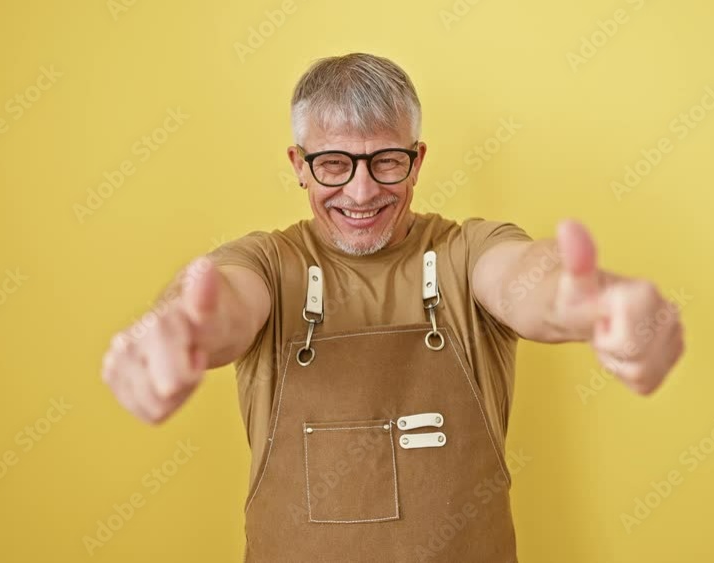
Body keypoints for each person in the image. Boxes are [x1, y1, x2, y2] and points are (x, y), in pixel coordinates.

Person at [101, 53, 684, 562]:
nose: (361, 192)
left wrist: (592, 306)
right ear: (298, 165)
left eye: (386, 161)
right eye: (333, 163)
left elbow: (529, 283)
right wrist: (179, 329)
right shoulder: (266, 264)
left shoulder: (464, 251)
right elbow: (220, 304)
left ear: (418, 159)